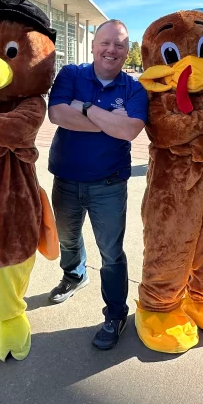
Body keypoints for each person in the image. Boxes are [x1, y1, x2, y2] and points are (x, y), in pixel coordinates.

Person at [47, 19, 148, 350]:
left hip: (108, 184)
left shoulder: (133, 88)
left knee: (111, 253)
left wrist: (88, 108)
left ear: (126, 51)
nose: (112, 50)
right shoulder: (72, 75)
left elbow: (131, 130)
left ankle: (116, 313)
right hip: (66, 179)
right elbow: (58, 115)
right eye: (106, 42)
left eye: (120, 45)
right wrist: (111, 123)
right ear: (93, 45)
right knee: (67, 238)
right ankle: (75, 275)